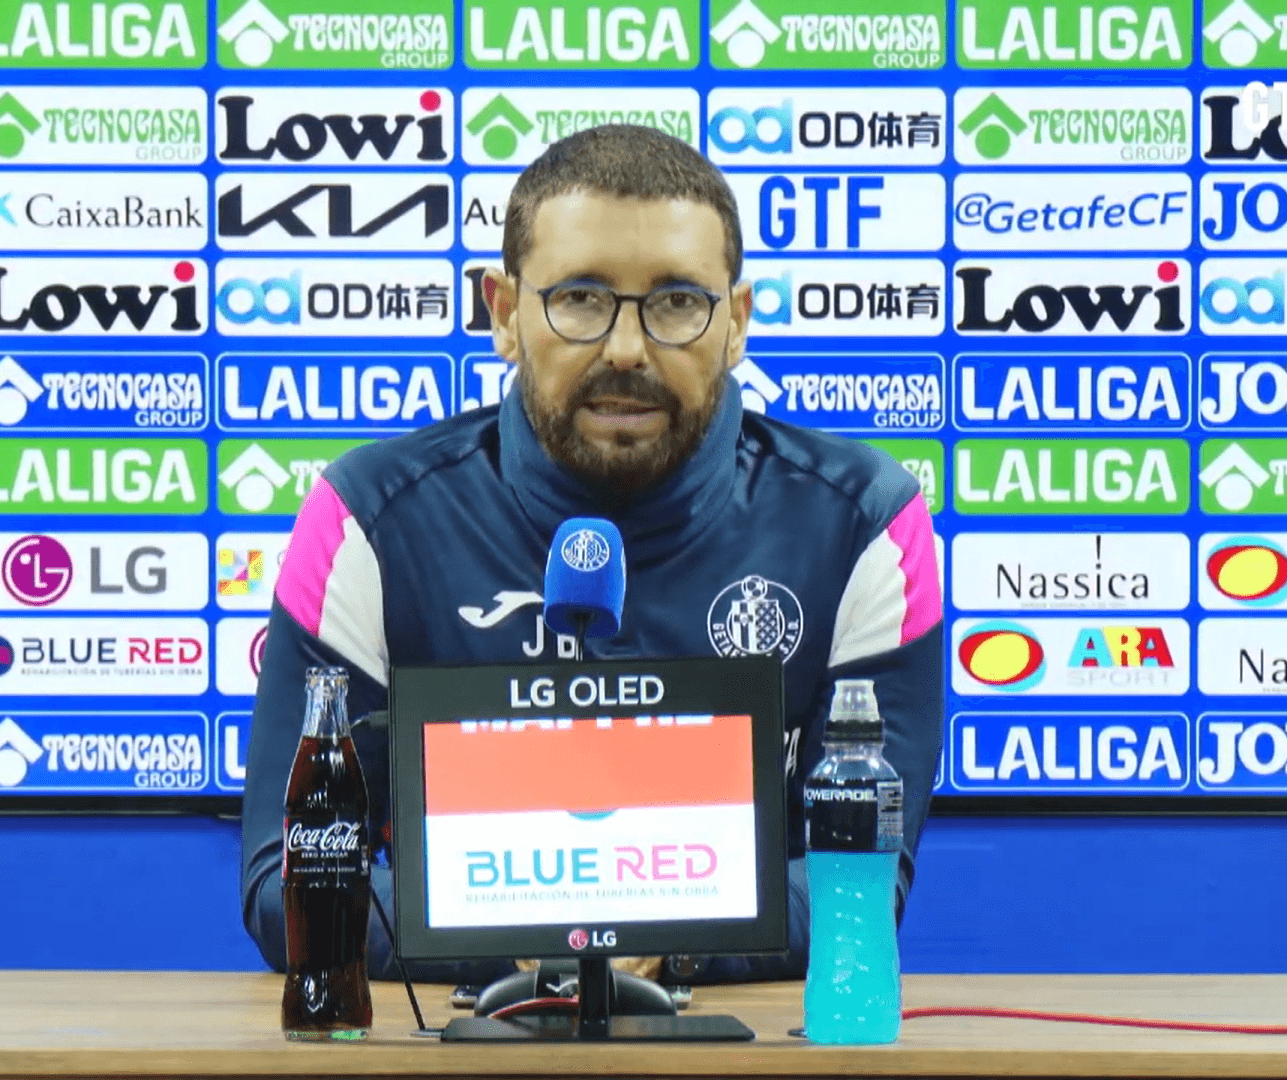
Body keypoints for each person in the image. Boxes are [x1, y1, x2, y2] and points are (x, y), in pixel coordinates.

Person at [241, 124, 944, 987]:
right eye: (578, 297)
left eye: (679, 301)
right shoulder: (365, 518)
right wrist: (533, 940)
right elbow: (288, 883)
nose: (625, 349)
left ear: (738, 324)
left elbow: (861, 890)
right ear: (503, 313)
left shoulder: (865, 520)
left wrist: (663, 940)